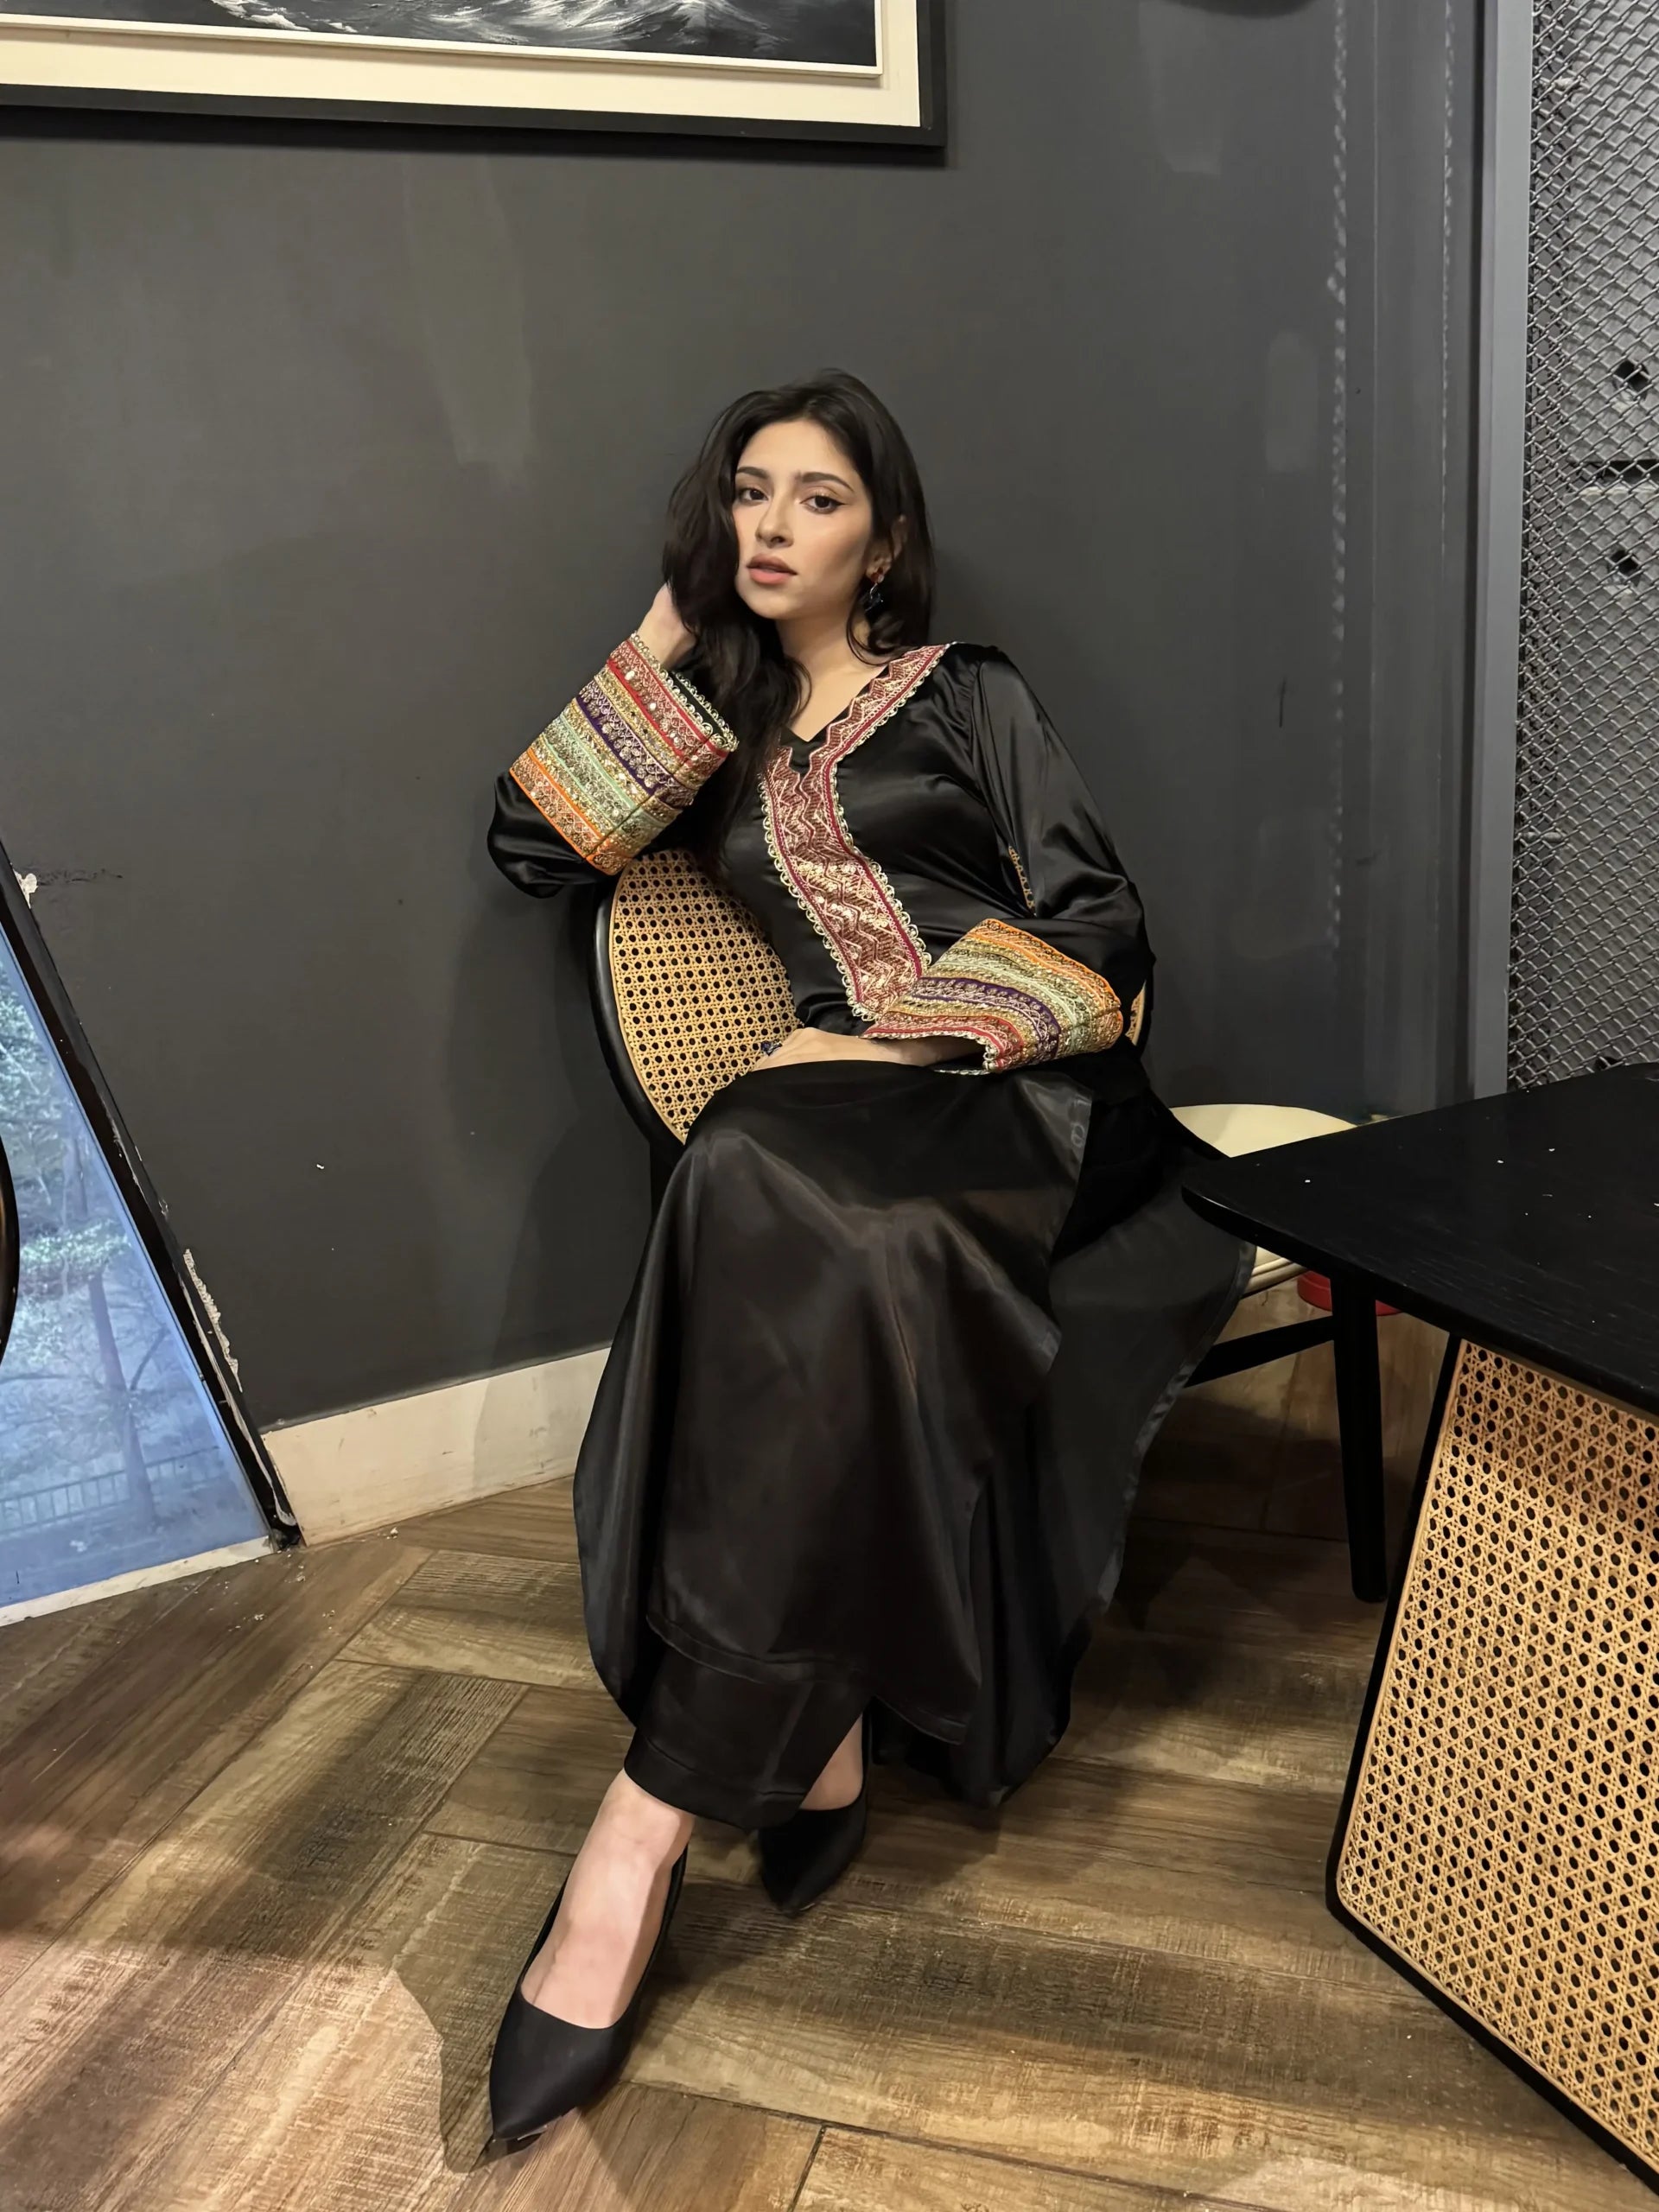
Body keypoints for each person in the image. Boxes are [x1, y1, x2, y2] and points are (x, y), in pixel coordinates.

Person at [483, 370, 1245, 2149]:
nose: (772, 524)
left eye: (817, 498)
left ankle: (639, 1833)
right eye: (748, 492)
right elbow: (530, 847)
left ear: (883, 542)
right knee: (752, 1170)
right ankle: (809, 1731)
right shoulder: (712, 736)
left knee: (762, 1161)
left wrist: (895, 1035)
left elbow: (1104, 921)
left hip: (1028, 1085)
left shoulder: (969, 693)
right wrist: (661, 636)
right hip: (837, 1116)